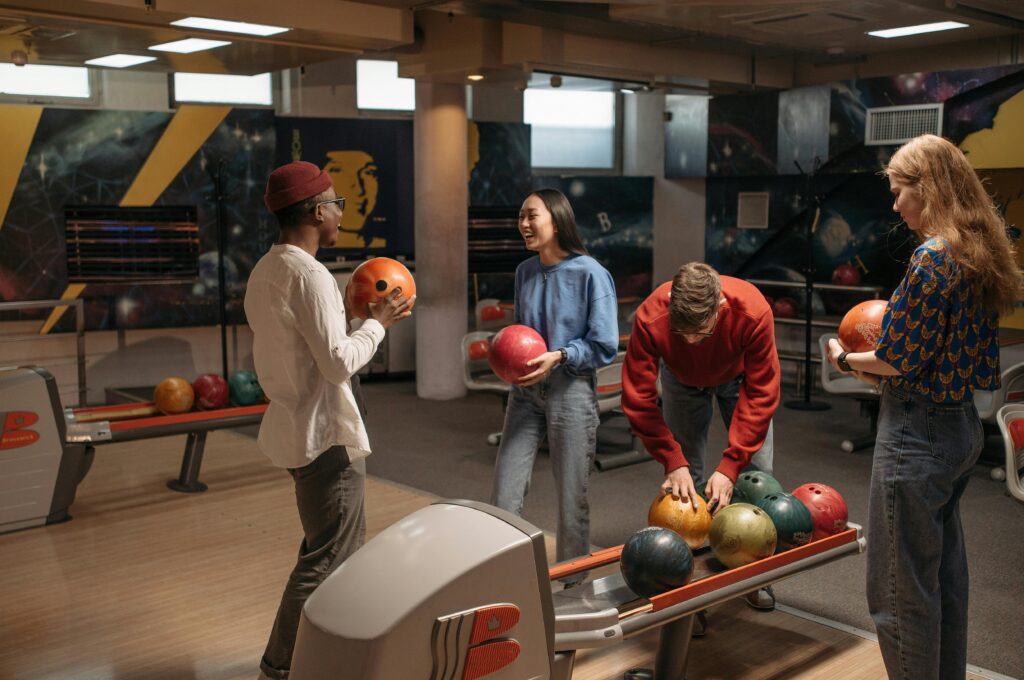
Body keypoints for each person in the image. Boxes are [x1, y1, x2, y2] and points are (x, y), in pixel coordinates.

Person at [826, 134, 1019, 679]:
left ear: (927, 189)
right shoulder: (978, 249)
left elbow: (898, 359)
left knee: (897, 588)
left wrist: (845, 358)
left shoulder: (932, 257)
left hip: (916, 433)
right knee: (943, 579)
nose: (895, 205)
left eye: (898, 191)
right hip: (960, 427)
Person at [245, 160, 413, 680]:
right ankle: (281, 667)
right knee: (327, 561)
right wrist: (376, 323)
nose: (341, 210)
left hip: (298, 427)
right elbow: (338, 362)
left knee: (327, 553)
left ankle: (317, 660)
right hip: (325, 439)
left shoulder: (267, 269)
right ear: (318, 211)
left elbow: (308, 349)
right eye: (337, 202)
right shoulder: (309, 273)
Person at [621, 262, 780, 616]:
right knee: (683, 484)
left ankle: (756, 579)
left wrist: (732, 463)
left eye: (701, 333)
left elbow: (762, 393)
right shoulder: (651, 316)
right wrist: (670, 458)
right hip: (680, 379)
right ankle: (686, 594)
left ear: (720, 306)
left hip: (739, 380)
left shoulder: (752, 311)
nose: (692, 340)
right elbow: (637, 397)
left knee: (758, 480)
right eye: (683, 334)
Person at [490, 188, 619, 583]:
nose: (523, 224)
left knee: (570, 501)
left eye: (532, 216)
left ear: (557, 218)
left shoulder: (591, 274)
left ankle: (573, 589)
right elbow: (523, 334)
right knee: (503, 495)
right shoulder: (524, 272)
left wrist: (560, 356)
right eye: (521, 217)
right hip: (525, 393)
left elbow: (605, 344)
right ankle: (502, 579)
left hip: (571, 391)